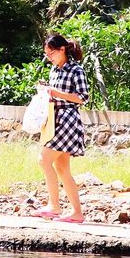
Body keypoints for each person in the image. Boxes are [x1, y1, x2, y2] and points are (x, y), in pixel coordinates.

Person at [36, 33, 90, 223]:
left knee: (44, 159)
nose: (49, 57)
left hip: (67, 120)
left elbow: (83, 98)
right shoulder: (54, 70)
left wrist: (57, 93)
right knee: (62, 167)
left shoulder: (76, 70)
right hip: (54, 119)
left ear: (62, 50)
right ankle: (76, 212)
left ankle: (55, 205)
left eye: (51, 53)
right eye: (47, 54)